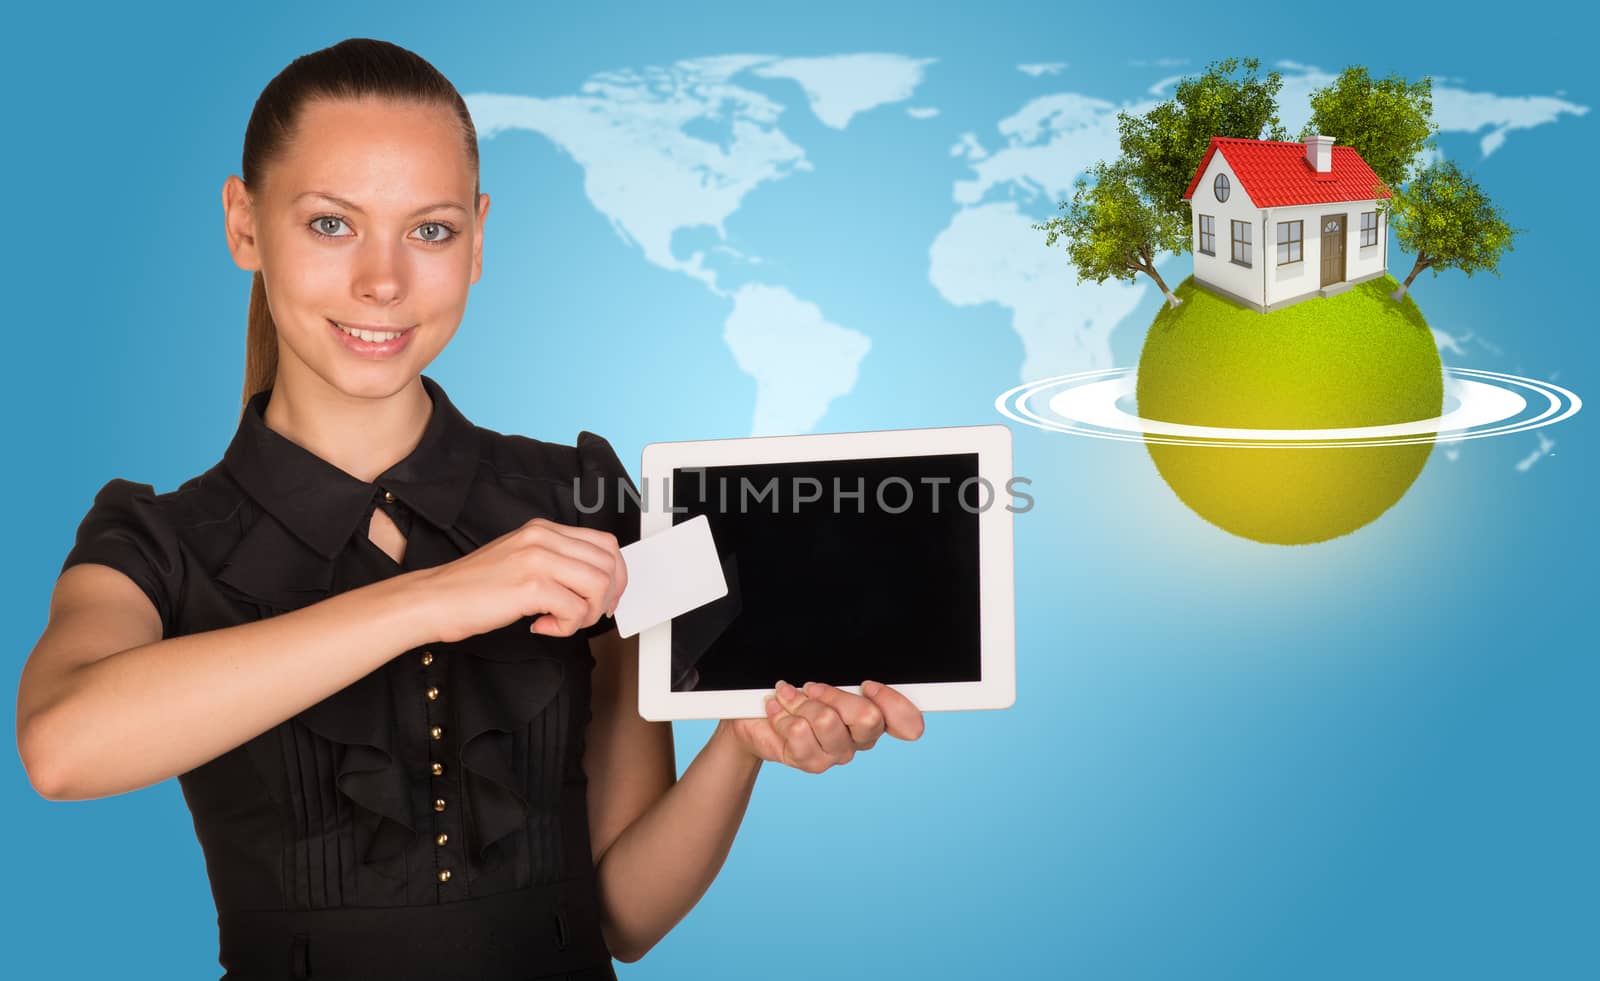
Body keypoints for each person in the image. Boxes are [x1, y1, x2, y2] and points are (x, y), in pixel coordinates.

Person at [16, 37, 925, 981]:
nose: (383, 282)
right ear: (244, 224)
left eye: (432, 230)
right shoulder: (157, 540)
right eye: (332, 224)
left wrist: (738, 745)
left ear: (480, 237)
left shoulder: (581, 500)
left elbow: (624, 916)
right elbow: (61, 746)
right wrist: (436, 597)